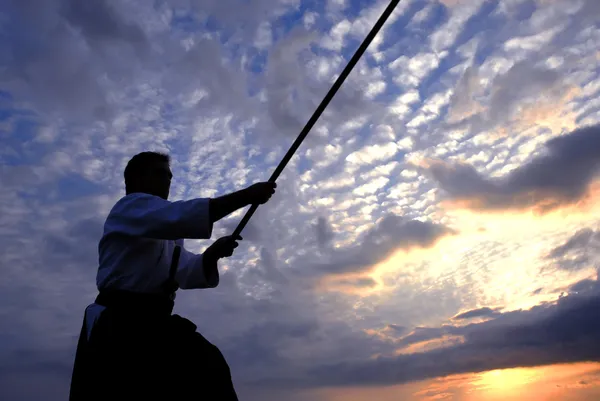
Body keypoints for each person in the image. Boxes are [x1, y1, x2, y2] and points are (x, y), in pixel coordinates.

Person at [69, 151, 276, 400]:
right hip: (121, 323)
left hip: (154, 323)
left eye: (169, 176)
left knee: (207, 366)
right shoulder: (129, 208)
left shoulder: (169, 230)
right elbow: (180, 215)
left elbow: (186, 271)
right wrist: (247, 195)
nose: (167, 180)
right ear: (135, 177)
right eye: (160, 174)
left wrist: (212, 255)